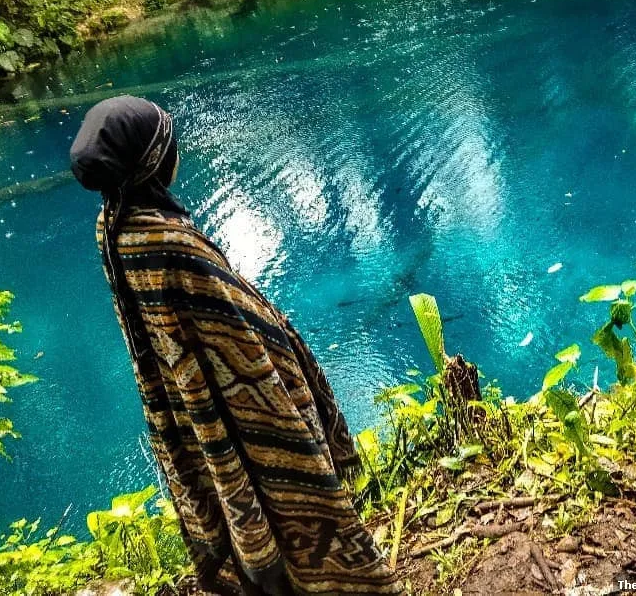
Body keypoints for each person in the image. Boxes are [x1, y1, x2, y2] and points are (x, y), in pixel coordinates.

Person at [69, 96, 400, 596]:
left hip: (187, 403)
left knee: (233, 500)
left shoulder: (113, 228)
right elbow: (238, 324)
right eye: (170, 144)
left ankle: (264, 576)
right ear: (155, 162)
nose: (177, 152)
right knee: (285, 488)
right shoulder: (170, 243)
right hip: (236, 403)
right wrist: (289, 370)